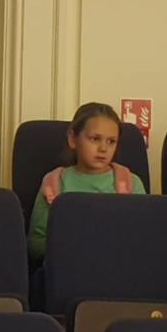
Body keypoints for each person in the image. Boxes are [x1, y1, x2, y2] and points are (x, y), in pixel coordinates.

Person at [27, 102, 145, 260]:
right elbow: (35, 242)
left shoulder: (130, 183)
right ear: (72, 139)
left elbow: (144, 237)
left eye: (111, 141)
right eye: (95, 139)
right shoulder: (53, 184)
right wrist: (71, 246)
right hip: (69, 266)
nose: (103, 148)